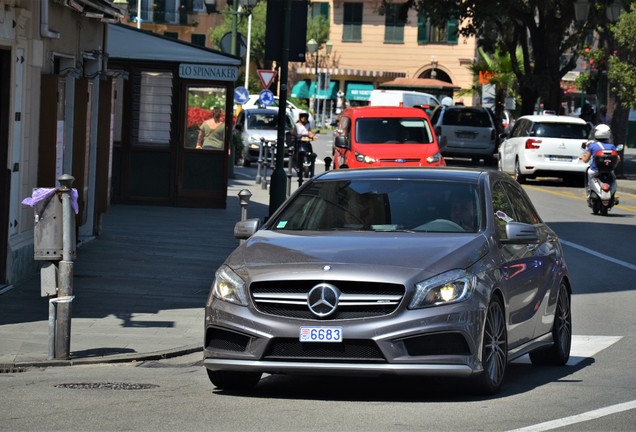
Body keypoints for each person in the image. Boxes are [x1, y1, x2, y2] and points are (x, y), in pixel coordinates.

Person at [579, 124, 620, 196]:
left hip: (595, 170)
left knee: (588, 173)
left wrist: (582, 157)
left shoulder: (592, 146)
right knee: (613, 179)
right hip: (609, 170)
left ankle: (589, 191)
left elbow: (586, 160)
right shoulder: (612, 146)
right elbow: (617, 158)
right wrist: (614, 166)